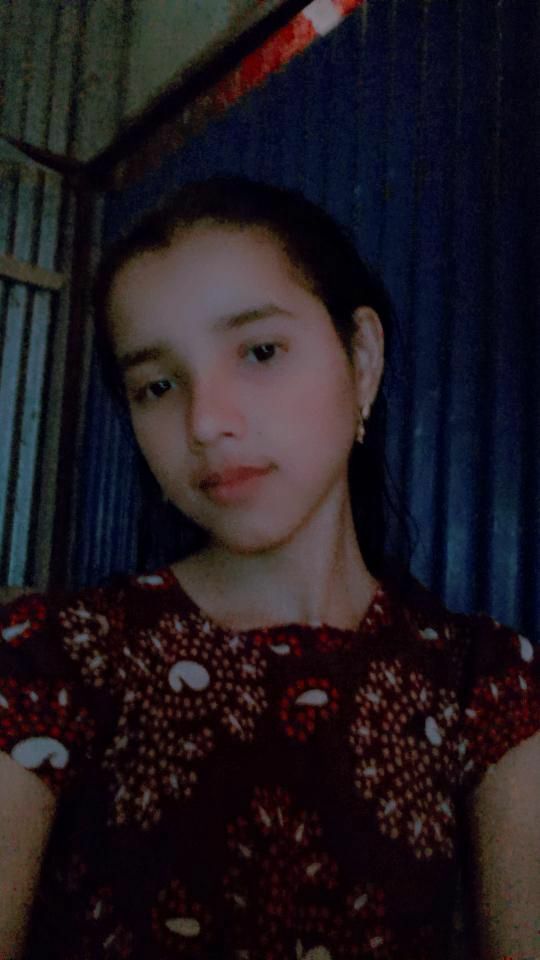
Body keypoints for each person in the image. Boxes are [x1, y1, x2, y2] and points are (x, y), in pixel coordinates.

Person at [0, 176, 538, 960]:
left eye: (259, 351)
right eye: (157, 385)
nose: (204, 421)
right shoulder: (47, 663)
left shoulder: (488, 686)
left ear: (362, 358)